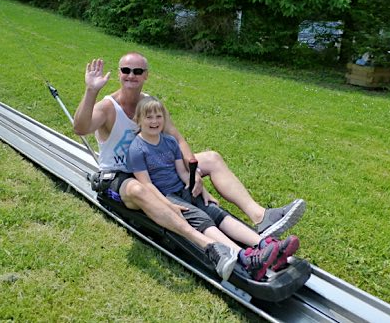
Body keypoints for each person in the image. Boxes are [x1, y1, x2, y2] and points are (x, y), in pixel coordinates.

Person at [73, 52, 305, 279]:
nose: (131, 75)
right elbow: (81, 128)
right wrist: (91, 91)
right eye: (126, 70)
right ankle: (215, 247)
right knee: (138, 188)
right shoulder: (108, 107)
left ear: (146, 75)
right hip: (122, 174)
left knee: (212, 158)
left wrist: (193, 173)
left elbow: (176, 138)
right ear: (120, 74)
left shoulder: (150, 104)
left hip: (155, 164)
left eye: (137, 71)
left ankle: (261, 217)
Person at [128, 96, 300, 280]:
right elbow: (147, 185)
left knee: (214, 211)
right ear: (138, 120)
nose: (154, 121)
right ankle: (246, 258)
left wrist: (202, 190)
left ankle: (265, 244)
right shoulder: (137, 149)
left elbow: (182, 172)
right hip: (166, 196)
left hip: (181, 188)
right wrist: (167, 205)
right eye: (148, 117)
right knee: (202, 219)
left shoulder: (169, 142)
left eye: (158, 116)